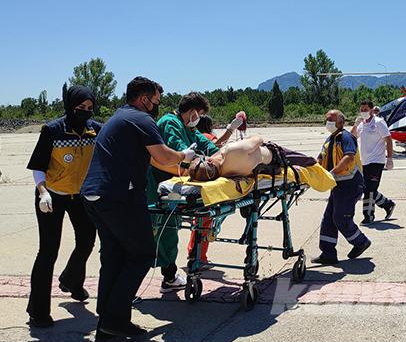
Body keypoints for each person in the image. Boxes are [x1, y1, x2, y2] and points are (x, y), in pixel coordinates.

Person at [81, 77, 196, 341]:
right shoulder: (141, 119)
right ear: (144, 99)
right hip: (119, 197)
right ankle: (114, 319)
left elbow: (154, 160)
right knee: (142, 254)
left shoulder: (120, 117)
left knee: (115, 256)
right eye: (155, 101)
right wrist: (184, 156)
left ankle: (108, 323)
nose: (157, 106)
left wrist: (181, 166)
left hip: (94, 195)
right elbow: (163, 155)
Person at [25, 85, 101, 328]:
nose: (85, 111)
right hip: (52, 196)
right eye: (80, 107)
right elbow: (38, 166)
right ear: (70, 106)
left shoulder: (95, 130)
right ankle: (38, 311)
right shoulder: (52, 130)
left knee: (87, 241)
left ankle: (71, 280)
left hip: (81, 196)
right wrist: (43, 192)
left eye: (89, 107)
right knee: (48, 252)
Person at [146, 92, 236, 292]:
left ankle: (169, 275)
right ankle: (166, 276)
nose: (199, 119)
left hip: (174, 185)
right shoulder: (170, 123)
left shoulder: (189, 128)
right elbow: (179, 150)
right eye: (199, 114)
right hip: (159, 185)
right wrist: (202, 162)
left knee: (169, 230)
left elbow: (208, 146)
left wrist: (225, 156)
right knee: (161, 231)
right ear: (193, 111)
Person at [312, 110, 371, 265]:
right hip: (338, 185)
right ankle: (328, 254)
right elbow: (320, 158)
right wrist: (311, 171)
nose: (328, 123)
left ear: (341, 122)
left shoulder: (346, 137)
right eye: (327, 120)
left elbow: (348, 157)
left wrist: (331, 173)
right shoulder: (330, 139)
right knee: (328, 219)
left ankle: (361, 242)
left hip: (350, 184)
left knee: (341, 218)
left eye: (331, 120)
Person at [187, 134, 316, 182]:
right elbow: (258, 140)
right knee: (310, 162)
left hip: (266, 168)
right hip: (276, 156)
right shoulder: (231, 152)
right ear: (209, 161)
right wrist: (245, 139)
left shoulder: (223, 174)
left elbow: (214, 163)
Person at [351, 100, 396, 224]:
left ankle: (368, 216)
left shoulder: (378, 122)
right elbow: (352, 137)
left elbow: (388, 140)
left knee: (369, 189)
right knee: (366, 188)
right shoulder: (362, 124)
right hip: (364, 162)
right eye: (361, 110)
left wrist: (390, 158)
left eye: (365, 109)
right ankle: (387, 204)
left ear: (371, 110)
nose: (363, 112)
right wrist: (355, 125)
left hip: (377, 161)